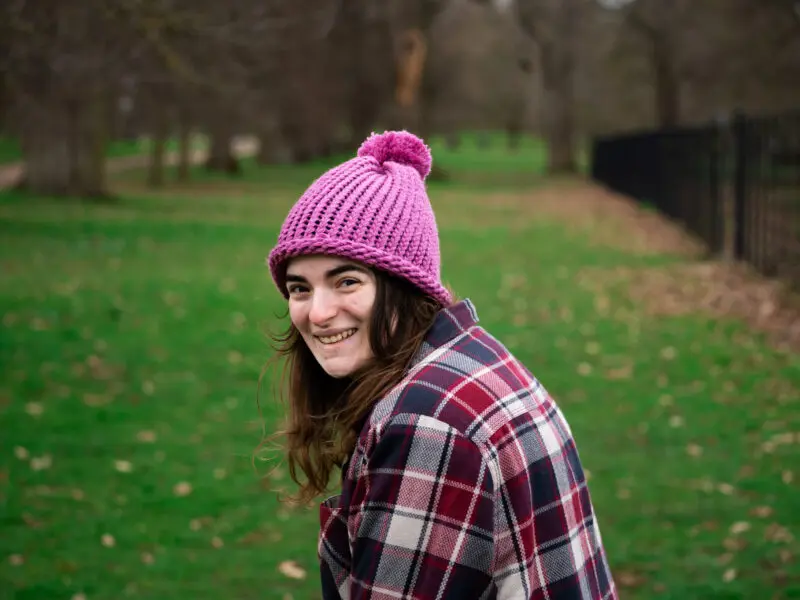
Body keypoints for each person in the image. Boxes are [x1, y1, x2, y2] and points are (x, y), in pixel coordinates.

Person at [266, 131, 617, 599]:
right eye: (300, 288)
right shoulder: (472, 357)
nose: (318, 313)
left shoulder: (424, 425)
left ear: (406, 287)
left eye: (347, 281)